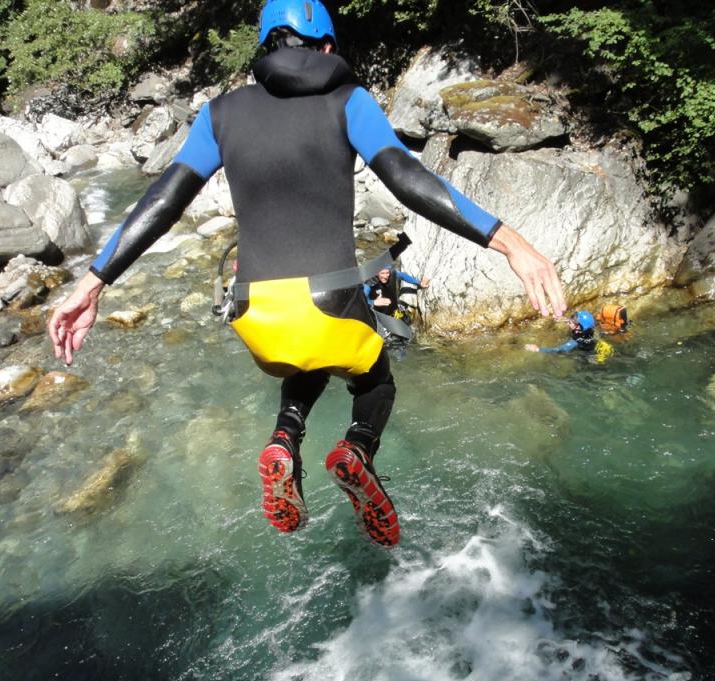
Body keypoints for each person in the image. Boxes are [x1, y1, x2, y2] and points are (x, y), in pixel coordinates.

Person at [48, 0, 565, 548]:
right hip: (330, 305)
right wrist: (509, 243)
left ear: (265, 46)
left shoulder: (218, 114)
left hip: (254, 314)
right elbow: (406, 178)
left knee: (306, 359)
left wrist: (93, 282)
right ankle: (357, 448)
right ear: (327, 46)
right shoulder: (349, 100)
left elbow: (162, 201)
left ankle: (284, 439)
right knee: (374, 376)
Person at [525, 311, 596, 354]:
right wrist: (563, 319)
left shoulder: (576, 341)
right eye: (572, 317)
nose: (570, 321)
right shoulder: (584, 329)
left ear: (578, 327)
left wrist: (537, 349)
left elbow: (559, 350)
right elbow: (576, 322)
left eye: (573, 321)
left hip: (586, 355)